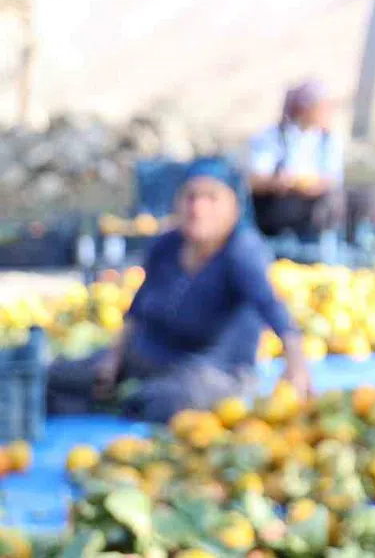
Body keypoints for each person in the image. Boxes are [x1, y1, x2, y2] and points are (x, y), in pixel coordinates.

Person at [47, 158, 311, 422]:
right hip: (148, 359)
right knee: (55, 375)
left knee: (167, 400)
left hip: (212, 371)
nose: (198, 208)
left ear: (234, 205)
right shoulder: (167, 246)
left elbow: (273, 309)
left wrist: (296, 367)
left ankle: (118, 402)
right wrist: (112, 360)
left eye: (211, 198)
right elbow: (137, 311)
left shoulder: (241, 251)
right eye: (190, 197)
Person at [247, 80, 345, 239]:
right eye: (322, 107)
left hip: (317, 204)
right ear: (305, 108)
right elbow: (256, 180)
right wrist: (280, 182)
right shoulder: (273, 136)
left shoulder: (329, 140)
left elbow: (332, 179)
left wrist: (314, 185)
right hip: (278, 203)